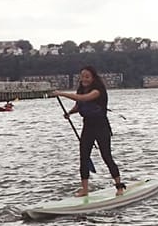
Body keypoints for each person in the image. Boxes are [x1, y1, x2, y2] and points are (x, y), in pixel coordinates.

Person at [49, 66, 125, 196]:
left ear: (93, 78)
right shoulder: (81, 89)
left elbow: (83, 99)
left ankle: (119, 186)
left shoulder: (98, 90)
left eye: (87, 76)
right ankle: (85, 189)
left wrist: (61, 93)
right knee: (84, 157)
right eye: (82, 76)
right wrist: (70, 113)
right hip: (88, 126)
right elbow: (79, 105)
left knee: (106, 156)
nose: (84, 79)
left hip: (101, 126)